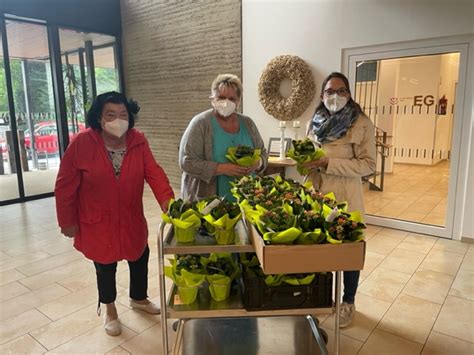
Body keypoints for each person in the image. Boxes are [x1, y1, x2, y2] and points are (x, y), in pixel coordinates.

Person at [54, 91, 174, 336]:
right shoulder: (82, 143)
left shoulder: (138, 141)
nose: (118, 120)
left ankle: (139, 298)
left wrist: (168, 202)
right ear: (99, 118)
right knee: (105, 266)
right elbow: (65, 184)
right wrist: (67, 221)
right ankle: (109, 309)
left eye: (123, 115)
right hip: (97, 220)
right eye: (111, 114)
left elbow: (154, 172)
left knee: (139, 256)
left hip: (130, 215)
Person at [303, 72, 376, 328]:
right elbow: (309, 155)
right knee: (319, 250)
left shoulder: (362, 123)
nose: (335, 96)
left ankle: (348, 302)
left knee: (348, 253)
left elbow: (368, 165)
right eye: (329, 91)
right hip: (317, 196)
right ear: (322, 95)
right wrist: (305, 165)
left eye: (341, 90)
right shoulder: (314, 123)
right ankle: (322, 298)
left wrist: (328, 163)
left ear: (349, 94)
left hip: (346, 198)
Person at [179, 73, 268, 202]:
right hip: (209, 201)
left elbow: (263, 153)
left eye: (232, 99)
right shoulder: (200, 123)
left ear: (238, 101)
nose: (226, 102)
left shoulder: (248, 123)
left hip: (246, 199)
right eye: (221, 97)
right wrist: (220, 168)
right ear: (212, 99)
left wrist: (258, 163)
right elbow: (186, 162)